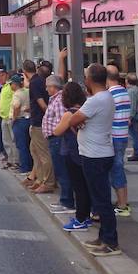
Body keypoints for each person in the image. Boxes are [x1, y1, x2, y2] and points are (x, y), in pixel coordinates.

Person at [67, 63, 121, 256]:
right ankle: (104, 236)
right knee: (100, 199)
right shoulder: (106, 97)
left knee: (101, 201)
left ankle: (111, 242)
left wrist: (79, 121)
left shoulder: (95, 101)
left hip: (94, 155)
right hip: (101, 152)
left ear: (89, 79)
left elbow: (72, 120)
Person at [53, 81, 92, 232]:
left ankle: (80, 218)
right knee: (85, 185)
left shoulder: (69, 113)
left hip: (71, 152)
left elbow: (57, 131)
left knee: (78, 187)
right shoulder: (84, 110)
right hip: (84, 150)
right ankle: (86, 215)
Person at [43, 73, 74, 213]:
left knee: (62, 170)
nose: (46, 89)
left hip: (58, 139)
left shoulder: (59, 100)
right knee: (60, 170)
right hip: (54, 138)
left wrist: (56, 133)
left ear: (54, 87)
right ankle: (65, 199)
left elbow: (63, 120)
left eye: (48, 86)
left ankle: (67, 201)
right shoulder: (54, 99)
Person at [107, 65, 131, 217]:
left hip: (114, 136)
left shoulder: (110, 95)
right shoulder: (124, 91)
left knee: (116, 169)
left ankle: (122, 205)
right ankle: (123, 201)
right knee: (118, 167)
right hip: (122, 134)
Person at [27, 60, 54, 194]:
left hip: (39, 122)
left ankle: (47, 182)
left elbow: (41, 104)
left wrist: (48, 117)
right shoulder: (45, 81)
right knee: (35, 150)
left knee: (42, 153)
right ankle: (39, 179)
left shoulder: (35, 82)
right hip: (38, 121)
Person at [10, 73, 33, 177]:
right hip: (28, 119)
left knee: (21, 145)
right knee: (28, 144)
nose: (11, 86)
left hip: (19, 120)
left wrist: (14, 118)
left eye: (11, 84)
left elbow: (16, 106)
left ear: (15, 84)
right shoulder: (27, 91)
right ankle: (30, 166)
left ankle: (24, 168)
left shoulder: (17, 94)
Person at [0, 69, 17, 170]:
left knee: (13, 140)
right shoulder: (4, 87)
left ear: (7, 75)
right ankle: (10, 160)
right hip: (4, 117)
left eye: (2, 75)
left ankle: (16, 161)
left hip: (10, 117)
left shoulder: (11, 86)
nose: (0, 78)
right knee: (6, 140)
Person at [126, 73, 138, 161]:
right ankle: (137, 152)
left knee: (134, 135)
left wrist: (129, 117)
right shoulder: (137, 90)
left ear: (128, 81)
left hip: (134, 115)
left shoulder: (131, 91)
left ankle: (137, 153)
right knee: (135, 134)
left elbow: (132, 106)